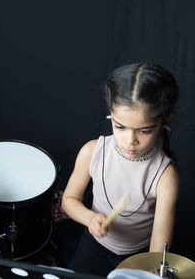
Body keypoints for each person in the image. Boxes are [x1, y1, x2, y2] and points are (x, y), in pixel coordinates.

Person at [62, 63, 179, 276]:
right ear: (111, 115)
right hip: (95, 244)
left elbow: (158, 245)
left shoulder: (165, 176)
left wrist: (150, 270)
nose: (130, 141)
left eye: (144, 130)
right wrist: (89, 218)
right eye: (120, 127)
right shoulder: (92, 151)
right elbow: (69, 200)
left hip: (138, 255)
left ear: (164, 122)